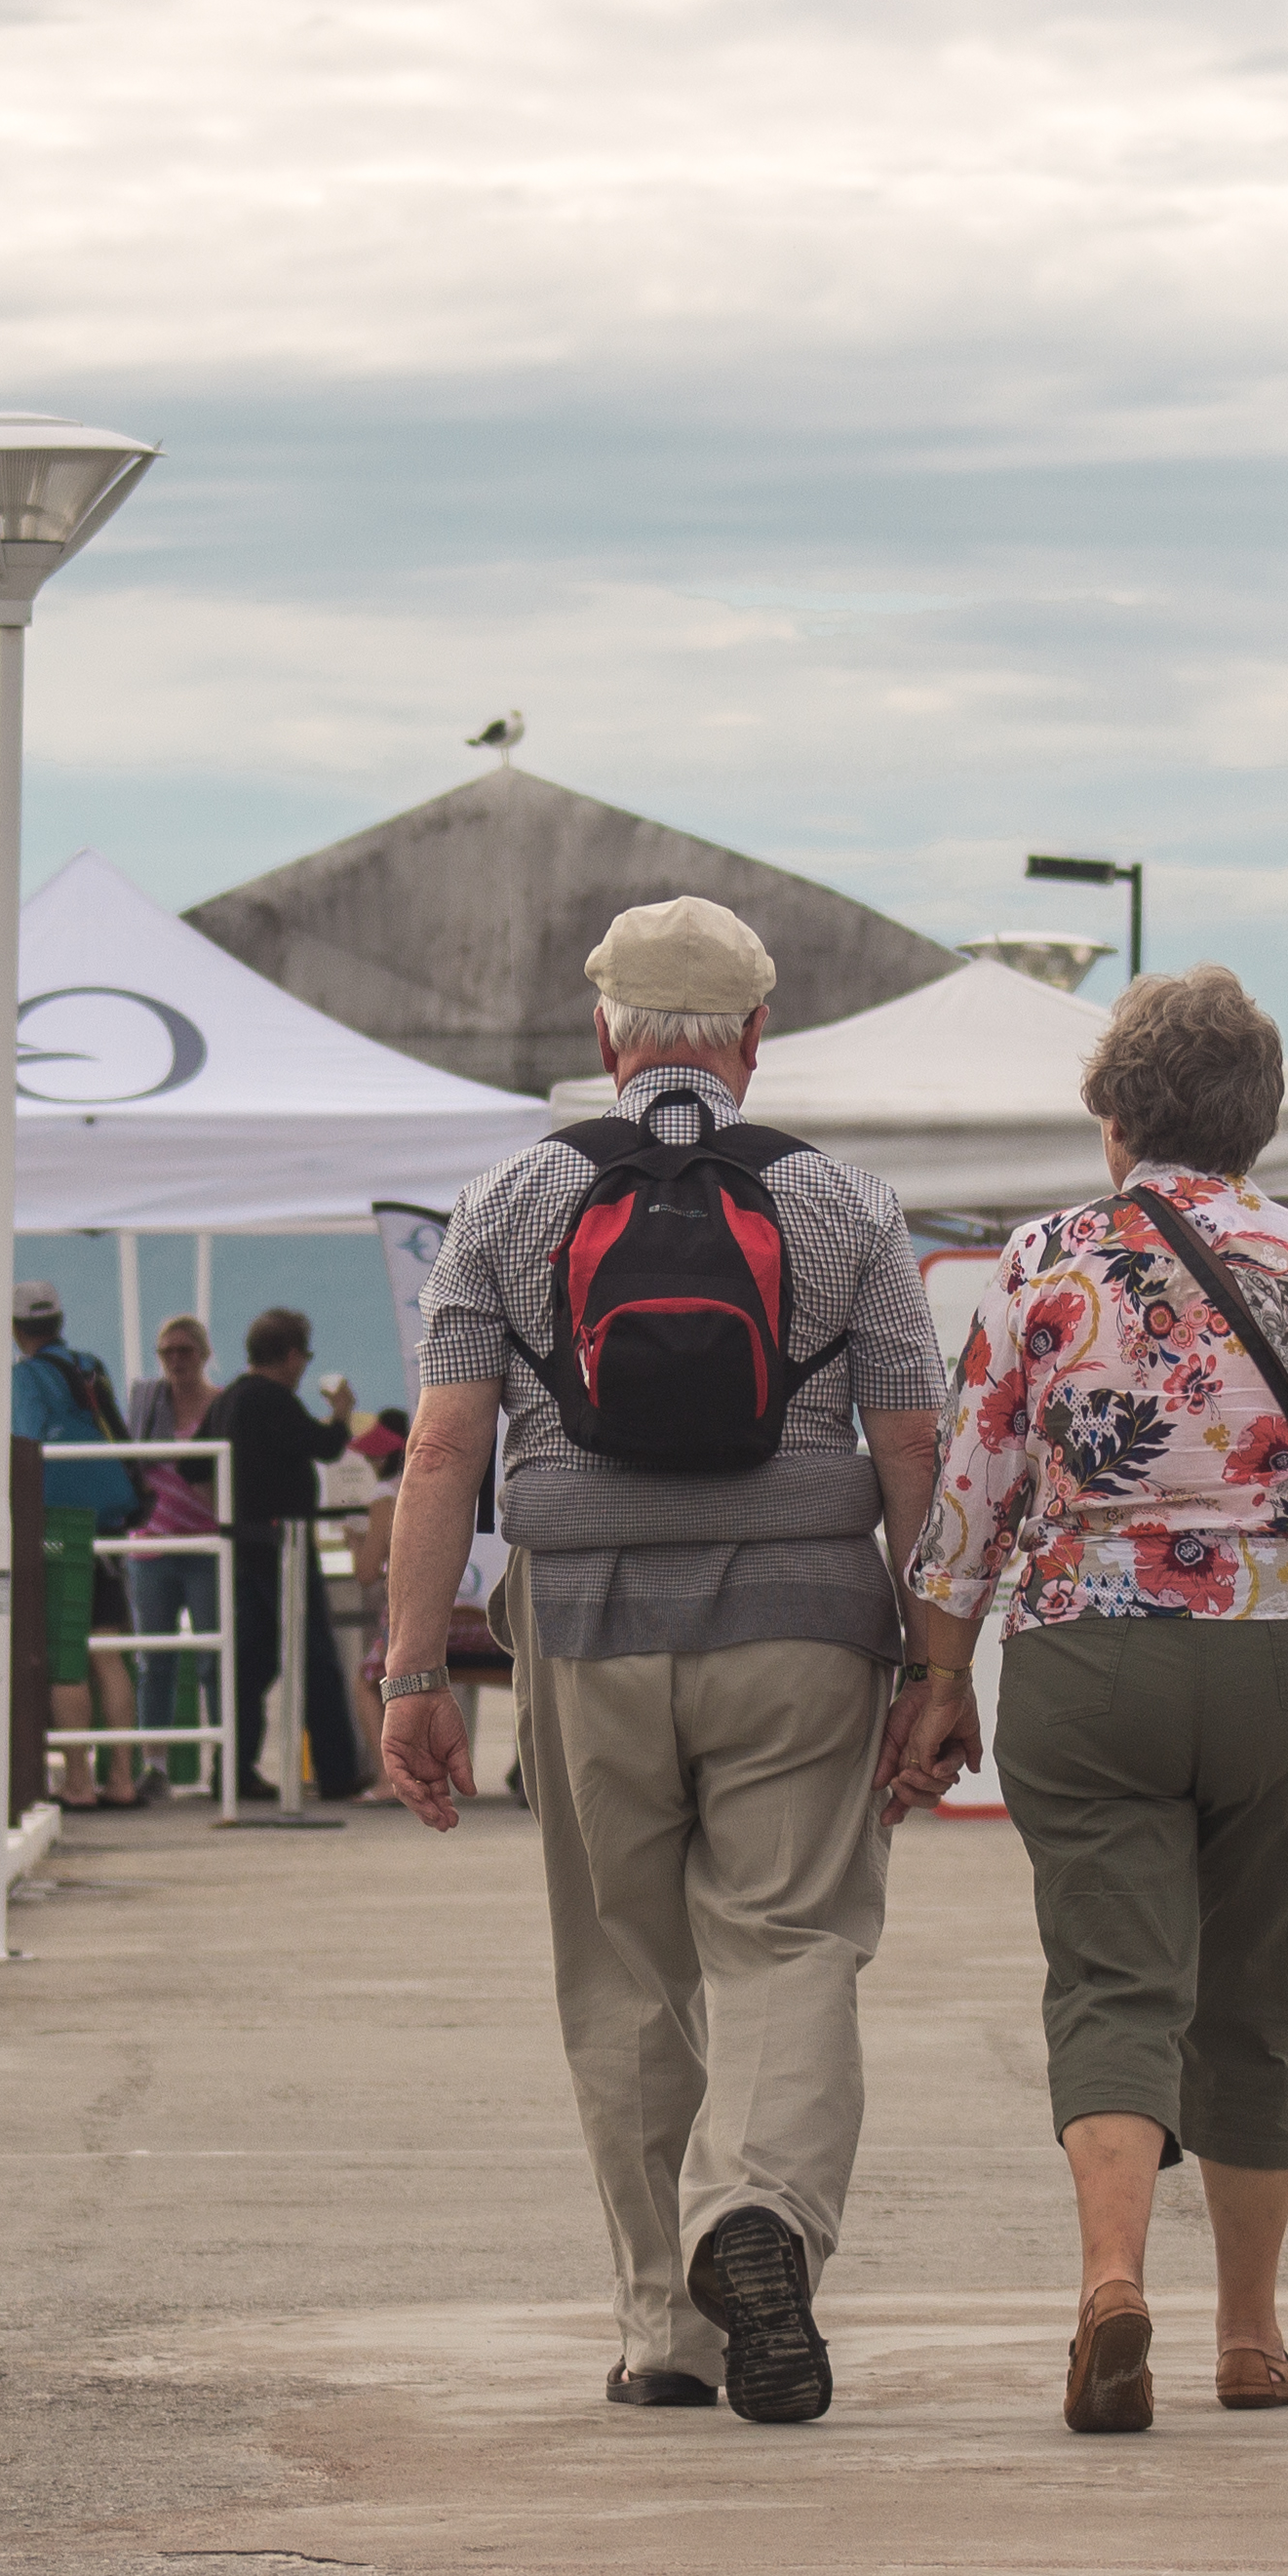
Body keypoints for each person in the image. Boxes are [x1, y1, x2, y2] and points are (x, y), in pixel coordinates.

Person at [901, 964, 1288, 2436]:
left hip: (1088, 1653)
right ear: (1257, 1121)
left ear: (1116, 1114)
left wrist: (937, 1680)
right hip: (1287, 1659)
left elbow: (969, 1497)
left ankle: (1108, 2282)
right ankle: (1249, 2336)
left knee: (1113, 1980)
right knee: (1261, 1991)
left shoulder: (1045, 1263)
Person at [378, 896, 951, 2426]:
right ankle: (751, 2210)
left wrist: (411, 1671)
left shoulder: (503, 1198)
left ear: (604, 1033)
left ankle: (663, 2331)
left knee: (625, 1964)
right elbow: (911, 1442)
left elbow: (443, 1448)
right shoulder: (847, 1206)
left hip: (584, 1624)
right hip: (803, 1622)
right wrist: (937, 1666)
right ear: (754, 1038)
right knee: (790, 1937)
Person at [218, 1308, 369, 1804]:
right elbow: (323, 1447)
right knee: (314, 1657)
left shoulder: (230, 1400)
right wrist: (342, 1413)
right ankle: (336, 1771)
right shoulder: (272, 1400)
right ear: (289, 1355)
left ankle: (232, 1770)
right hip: (284, 1542)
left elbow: (193, 1461)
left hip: (243, 1541)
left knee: (251, 1661)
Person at [10, 1283, 144, 1808]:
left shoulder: (26, 1377)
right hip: (108, 1517)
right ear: (60, 1320)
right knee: (108, 1651)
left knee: (67, 1654)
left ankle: (78, 1781)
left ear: (17, 1328)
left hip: (59, 1522)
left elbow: (25, 1442)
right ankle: (123, 1778)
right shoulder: (89, 1365)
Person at [127, 1316, 227, 1778]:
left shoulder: (220, 1405)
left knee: (213, 1658)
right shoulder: (148, 1406)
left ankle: (224, 1758)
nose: (177, 1360)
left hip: (206, 1544)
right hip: (153, 1546)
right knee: (156, 1660)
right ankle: (155, 1764)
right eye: (168, 1352)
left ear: (204, 1354)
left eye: (185, 1350)